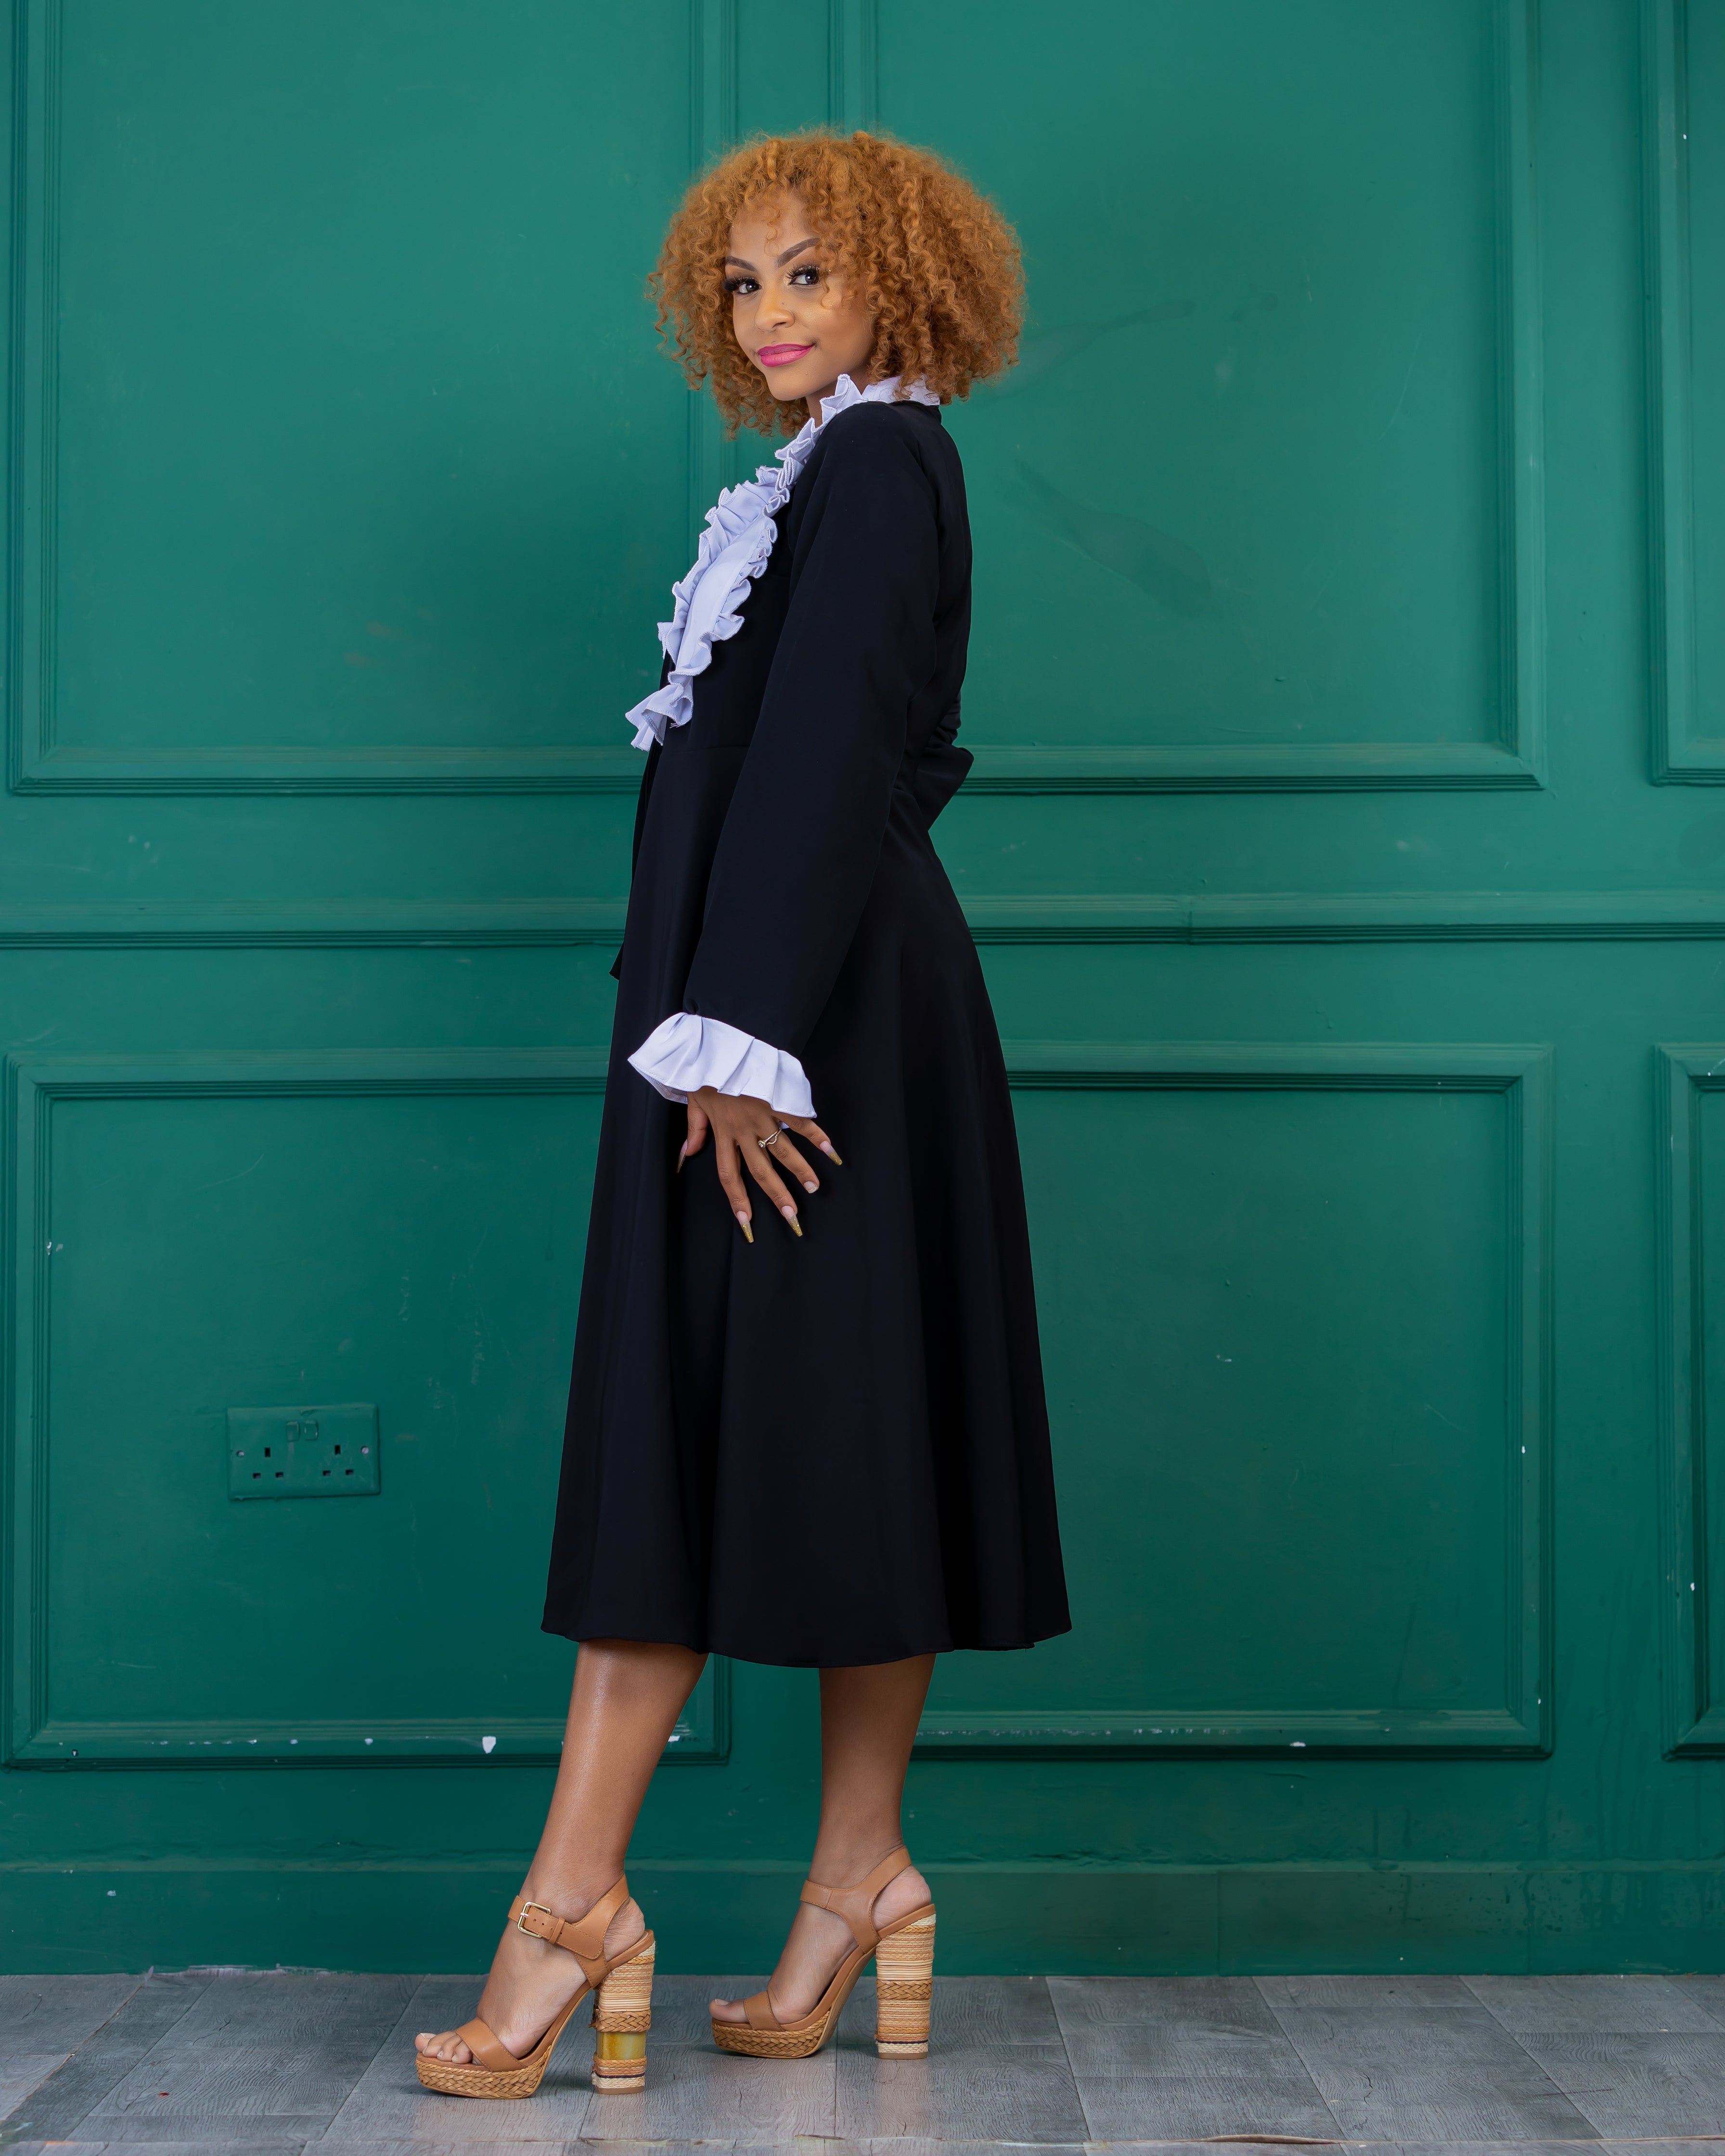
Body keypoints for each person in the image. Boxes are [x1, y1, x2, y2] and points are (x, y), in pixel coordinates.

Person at [415, 127, 1069, 2101]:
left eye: (811, 273)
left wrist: (739, 1037)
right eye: (744, 281)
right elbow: (871, 760)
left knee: (692, 1440)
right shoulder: (835, 472)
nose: (772, 312)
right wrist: (719, 1006)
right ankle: (859, 1877)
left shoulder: (877, 463)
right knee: (838, 1430)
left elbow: (842, 750)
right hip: (782, 1009)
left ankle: (571, 1906)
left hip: (793, 1034)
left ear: (899, 280)